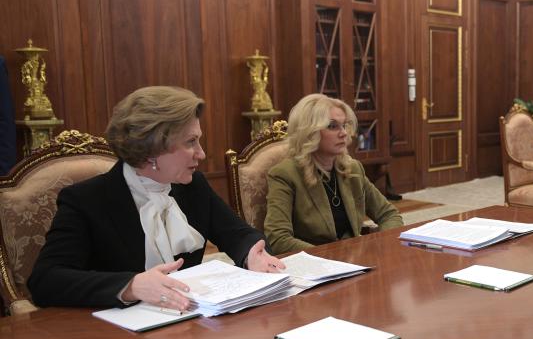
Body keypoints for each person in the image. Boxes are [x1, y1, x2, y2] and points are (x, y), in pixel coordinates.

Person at [28, 86, 285, 311]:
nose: (202, 154)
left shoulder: (193, 186)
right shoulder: (86, 200)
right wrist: (130, 286)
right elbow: (45, 280)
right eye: (191, 142)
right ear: (152, 148)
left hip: (192, 327)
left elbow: (237, 234)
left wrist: (252, 253)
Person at [264, 94, 402, 254]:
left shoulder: (352, 169)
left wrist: (382, 245)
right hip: (313, 268)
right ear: (310, 132)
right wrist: (330, 258)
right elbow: (278, 238)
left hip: (355, 261)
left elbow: (389, 214)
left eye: (344, 125)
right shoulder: (285, 175)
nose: (344, 133)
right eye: (332, 126)